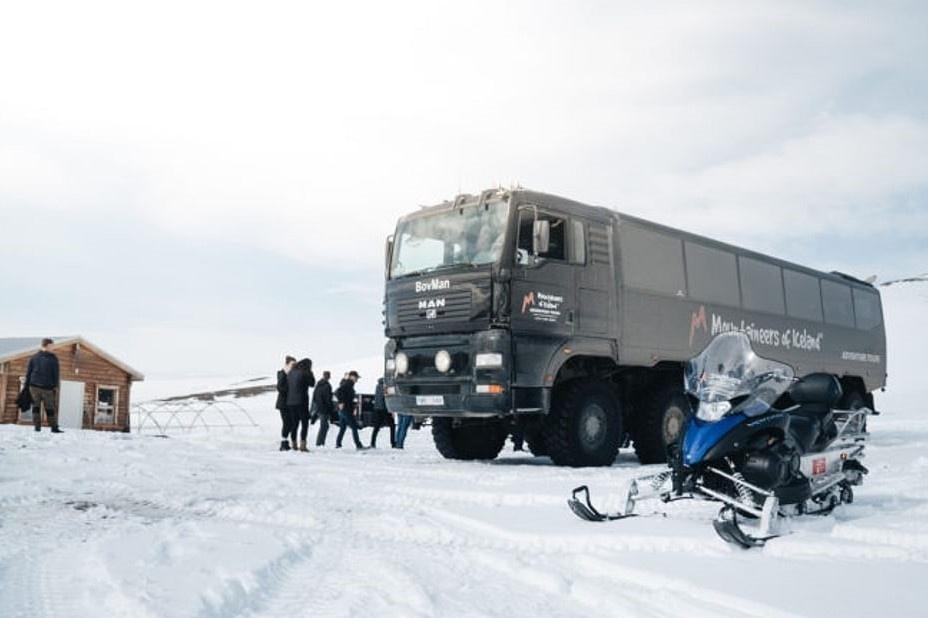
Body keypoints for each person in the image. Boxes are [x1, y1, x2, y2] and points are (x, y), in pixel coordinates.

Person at [25, 339, 62, 433]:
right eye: (51, 346)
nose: (53, 347)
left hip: (47, 387)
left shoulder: (53, 358)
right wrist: (27, 385)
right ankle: (37, 427)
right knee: (36, 407)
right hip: (34, 386)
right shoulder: (35, 357)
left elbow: (56, 373)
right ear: (45, 346)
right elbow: (29, 372)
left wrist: (55, 386)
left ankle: (54, 427)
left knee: (50, 408)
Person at [287, 358, 316, 452]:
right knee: (304, 423)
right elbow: (312, 383)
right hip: (301, 401)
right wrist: (310, 373)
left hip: (290, 402)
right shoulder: (305, 372)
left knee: (294, 423)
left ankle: (294, 444)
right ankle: (303, 445)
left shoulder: (291, 372)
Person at [335, 370, 365, 450]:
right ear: (352, 377)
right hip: (346, 409)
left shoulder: (349, 384)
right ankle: (358, 445)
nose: (357, 380)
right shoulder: (347, 384)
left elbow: (346, 396)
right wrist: (341, 402)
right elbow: (338, 392)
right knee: (354, 427)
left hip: (344, 409)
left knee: (343, 427)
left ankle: (338, 444)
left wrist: (354, 404)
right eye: (356, 378)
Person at [276, 356, 296, 451]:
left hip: (289, 403)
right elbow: (280, 387)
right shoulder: (282, 373)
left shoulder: (290, 374)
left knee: (291, 423)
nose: (294, 366)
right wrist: (290, 391)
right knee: (287, 423)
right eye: (293, 364)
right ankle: (283, 443)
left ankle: (287, 442)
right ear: (287, 364)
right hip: (283, 403)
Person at [369, 377, 395, 448]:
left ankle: (372, 443)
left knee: (376, 427)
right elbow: (388, 398)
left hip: (377, 409)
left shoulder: (377, 386)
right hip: (385, 409)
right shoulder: (387, 387)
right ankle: (393, 443)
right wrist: (391, 410)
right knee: (392, 426)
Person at [312, 370, 335, 447]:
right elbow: (328, 399)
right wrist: (331, 409)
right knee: (324, 426)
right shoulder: (327, 386)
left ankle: (320, 442)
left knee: (324, 426)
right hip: (324, 409)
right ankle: (320, 443)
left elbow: (314, 397)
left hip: (318, 408)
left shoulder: (318, 385)